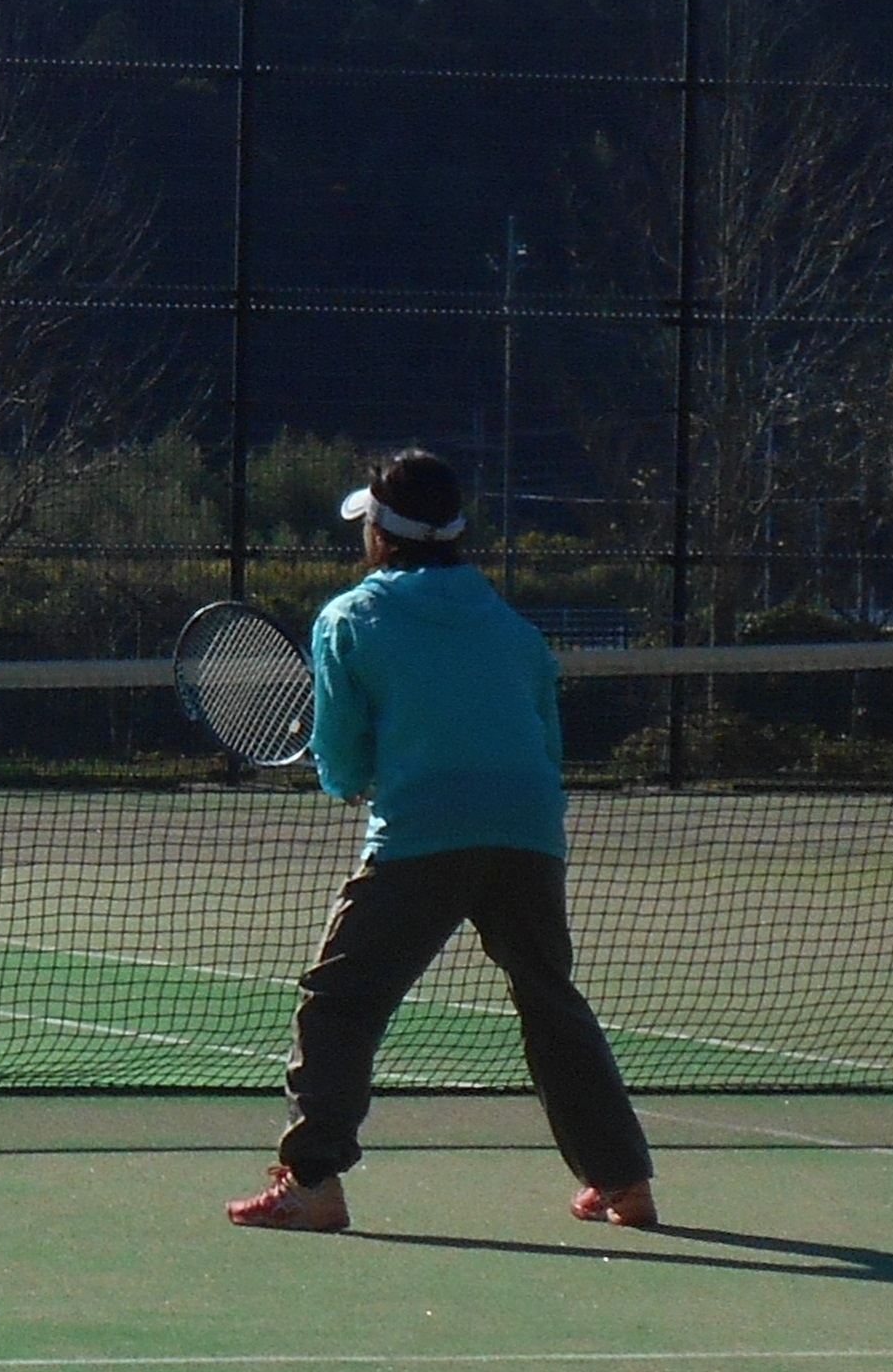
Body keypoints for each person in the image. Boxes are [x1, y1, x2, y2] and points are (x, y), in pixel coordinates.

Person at [228, 448, 657, 1236]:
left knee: (337, 1001)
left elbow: (344, 766)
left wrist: (347, 766)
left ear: (381, 535)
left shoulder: (348, 620)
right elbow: (543, 743)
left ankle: (313, 1181)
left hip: (425, 831)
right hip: (528, 827)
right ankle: (622, 1180)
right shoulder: (511, 626)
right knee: (547, 998)